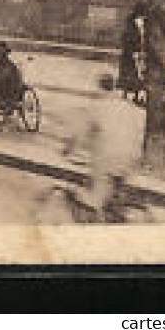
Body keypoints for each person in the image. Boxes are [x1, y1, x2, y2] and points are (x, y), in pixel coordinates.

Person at [63, 73, 138, 220]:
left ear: (99, 88)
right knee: (115, 196)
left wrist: (69, 149)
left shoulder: (96, 106)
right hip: (129, 157)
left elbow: (81, 133)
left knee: (94, 199)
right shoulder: (127, 106)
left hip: (107, 158)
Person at [118, 2, 146, 101]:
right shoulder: (131, 23)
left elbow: (144, 37)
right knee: (130, 73)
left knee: (139, 74)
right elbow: (128, 38)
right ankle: (126, 92)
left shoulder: (144, 23)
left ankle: (137, 95)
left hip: (140, 51)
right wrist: (133, 51)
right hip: (131, 52)